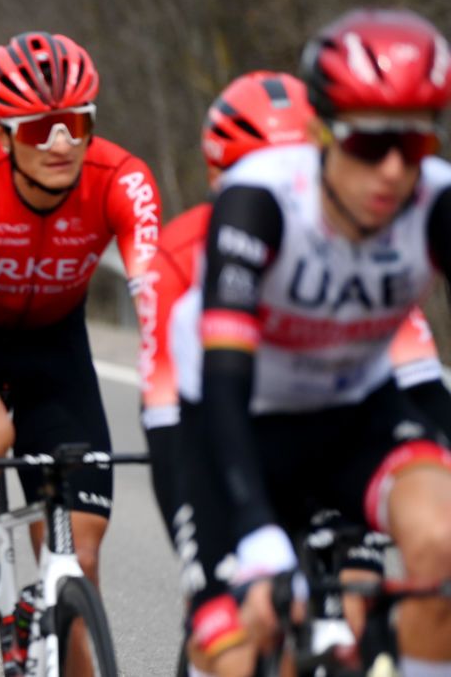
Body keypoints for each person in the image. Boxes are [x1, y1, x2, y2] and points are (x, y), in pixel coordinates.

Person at [140, 69, 451, 675]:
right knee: (235, 634)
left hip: (341, 433)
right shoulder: (182, 253)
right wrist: (220, 557)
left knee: (366, 595)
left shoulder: (368, 234)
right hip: (219, 433)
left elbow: (420, 386)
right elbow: (170, 412)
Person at [0, 31, 161, 675]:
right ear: (2, 132)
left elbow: (161, 307)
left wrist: (183, 404)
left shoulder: (123, 179)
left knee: (81, 555)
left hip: (56, 348)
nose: (60, 143)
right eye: (39, 127)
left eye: (76, 125)